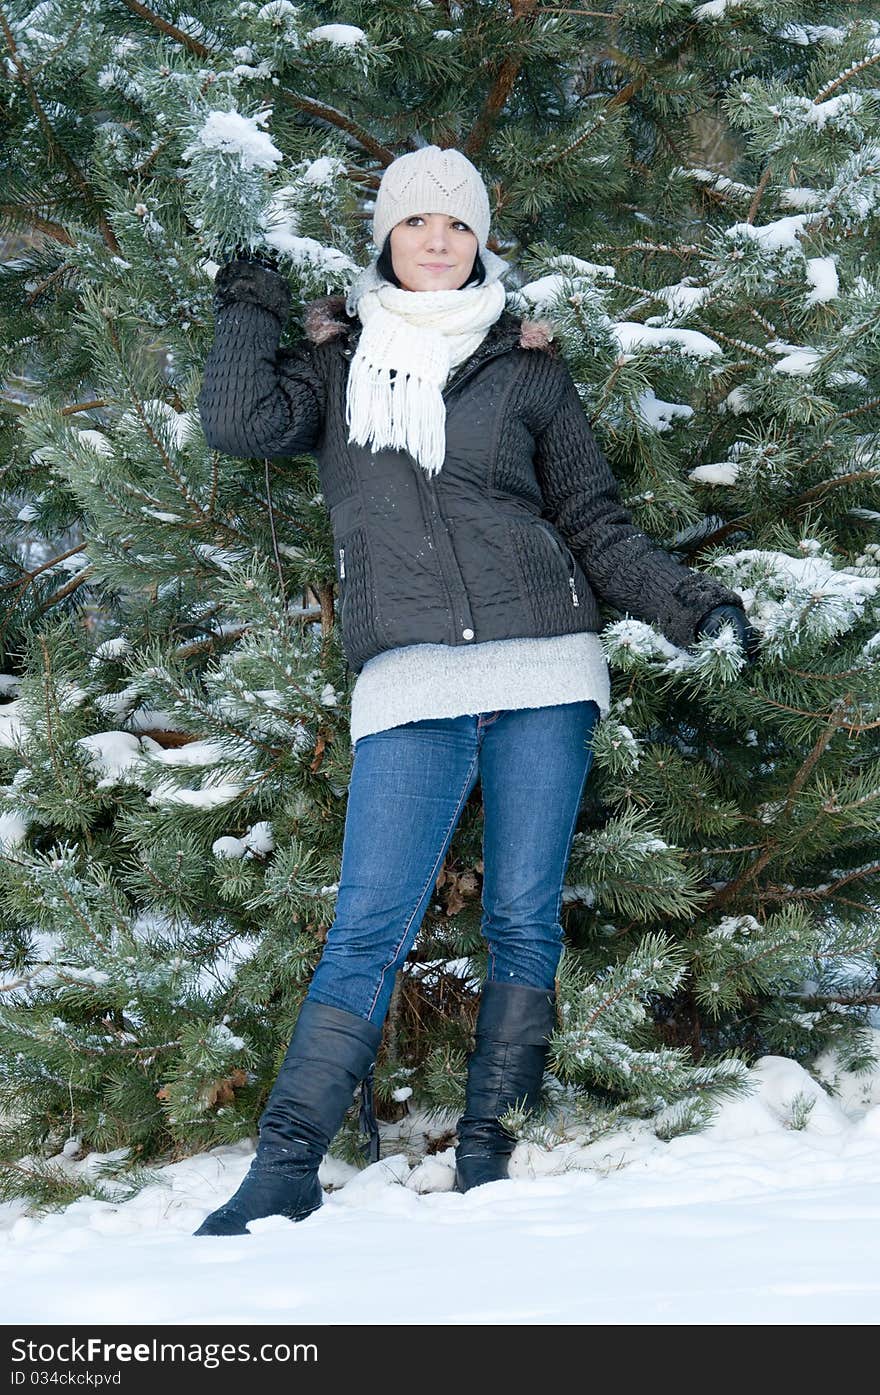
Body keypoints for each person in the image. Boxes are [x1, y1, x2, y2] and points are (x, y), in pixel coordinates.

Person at [193, 145, 757, 1236]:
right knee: (368, 924)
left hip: (544, 663)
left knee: (521, 918)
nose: (438, 242)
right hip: (408, 678)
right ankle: (285, 1163)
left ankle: (490, 1150)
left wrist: (689, 606)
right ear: (387, 241)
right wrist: (245, 309)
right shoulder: (334, 362)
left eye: (457, 227)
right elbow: (239, 426)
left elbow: (591, 521)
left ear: (480, 241)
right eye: (416, 225)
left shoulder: (530, 368)